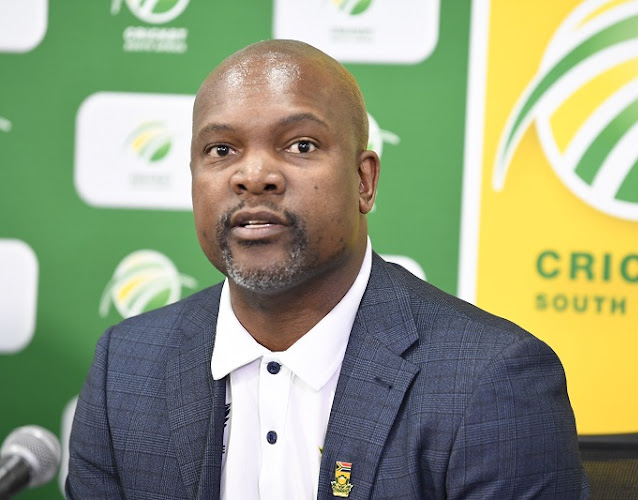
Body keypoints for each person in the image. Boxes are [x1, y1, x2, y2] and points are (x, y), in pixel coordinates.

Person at [66, 39, 588, 499]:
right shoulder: (126, 369)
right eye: (221, 150)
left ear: (364, 181)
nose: (254, 176)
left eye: (300, 145)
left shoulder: (490, 381)